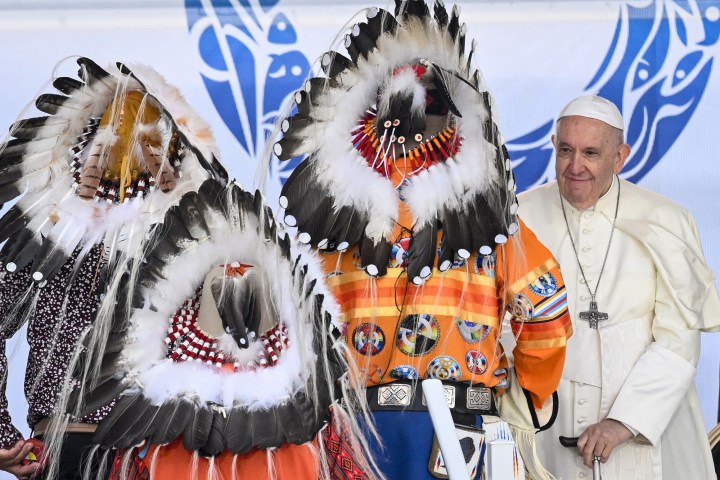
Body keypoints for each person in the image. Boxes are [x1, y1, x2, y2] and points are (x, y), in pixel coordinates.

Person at [270, 2, 572, 478]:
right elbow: (547, 316)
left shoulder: (327, 217)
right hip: (458, 431)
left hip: (358, 437)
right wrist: (528, 393)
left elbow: (294, 332)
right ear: (455, 120)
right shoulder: (489, 215)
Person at [0, 56, 224, 479]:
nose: (129, 163)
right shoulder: (52, 238)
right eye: (111, 148)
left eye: (152, 152)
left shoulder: (197, 244)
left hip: (164, 450)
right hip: (78, 444)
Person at [519, 94, 720, 479]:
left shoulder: (666, 219)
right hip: (543, 426)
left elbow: (679, 339)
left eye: (591, 153)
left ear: (620, 156)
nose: (575, 166)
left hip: (643, 427)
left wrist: (624, 422)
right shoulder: (518, 216)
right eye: (565, 150)